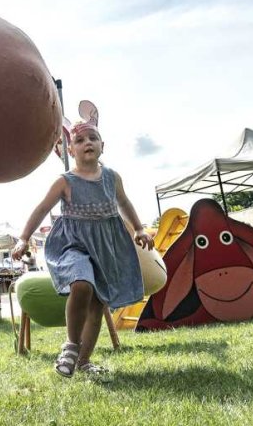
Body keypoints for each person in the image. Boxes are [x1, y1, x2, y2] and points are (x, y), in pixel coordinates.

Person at [13, 115, 154, 377]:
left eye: (92, 138)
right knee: (82, 283)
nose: (87, 142)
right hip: (72, 244)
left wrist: (139, 228)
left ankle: (84, 361)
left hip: (105, 246)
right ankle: (70, 345)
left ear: (103, 145)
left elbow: (124, 203)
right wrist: (23, 238)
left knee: (98, 304)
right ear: (70, 150)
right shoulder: (65, 181)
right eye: (79, 140)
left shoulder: (112, 178)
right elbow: (42, 208)